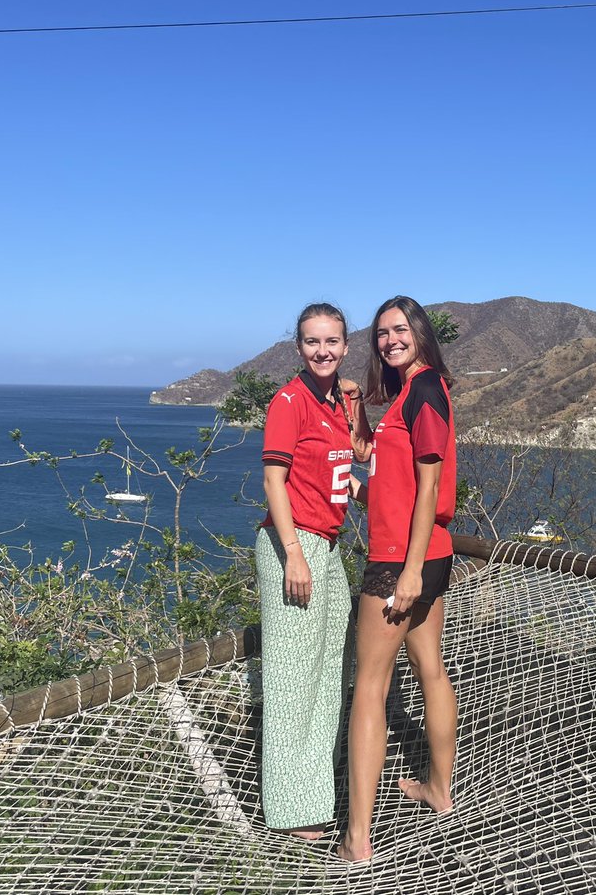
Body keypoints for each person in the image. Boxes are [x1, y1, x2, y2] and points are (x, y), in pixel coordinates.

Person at [338, 296, 458, 863]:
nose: (389, 340)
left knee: (370, 688)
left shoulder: (427, 390)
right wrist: (360, 413)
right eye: (382, 333)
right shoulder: (411, 393)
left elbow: (431, 489)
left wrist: (406, 572)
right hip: (429, 556)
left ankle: (356, 838)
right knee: (430, 669)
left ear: (420, 334)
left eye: (400, 329)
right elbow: (390, 472)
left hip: (401, 561)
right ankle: (438, 790)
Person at [257, 303, 371, 840]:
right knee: (291, 677)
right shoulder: (290, 401)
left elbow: (357, 454)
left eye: (331, 341)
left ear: (346, 345)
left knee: (330, 670)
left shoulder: (335, 404)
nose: (322, 350)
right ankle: (294, 810)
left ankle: (315, 795)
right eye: (311, 342)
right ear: (298, 346)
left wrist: (355, 404)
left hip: (326, 545)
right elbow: (273, 481)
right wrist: (293, 554)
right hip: (295, 544)